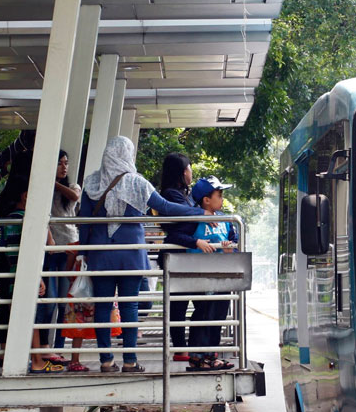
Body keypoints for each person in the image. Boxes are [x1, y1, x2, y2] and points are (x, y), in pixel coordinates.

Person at [78, 136, 209, 373]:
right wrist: (198, 212)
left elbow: (84, 222)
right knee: (130, 307)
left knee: (103, 307)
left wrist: (86, 251)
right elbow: (166, 208)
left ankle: (106, 360)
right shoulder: (137, 183)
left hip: (101, 254)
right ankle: (130, 361)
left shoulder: (92, 182)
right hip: (131, 254)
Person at [0, 174, 64, 373]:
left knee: (23, 315)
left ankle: (29, 359)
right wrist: (37, 277)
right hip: (24, 274)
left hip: (12, 276)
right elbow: (39, 249)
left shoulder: (10, 219)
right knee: (32, 316)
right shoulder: (26, 220)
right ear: (26, 196)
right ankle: (36, 361)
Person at [185, 176, 237, 371]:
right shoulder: (193, 219)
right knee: (202, 314)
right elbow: (178, 236)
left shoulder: (226, 221)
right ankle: (197, 356)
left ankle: (211, 355)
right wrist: (196, 243)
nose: (222, 198)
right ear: (206, 200)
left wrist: (230, 249)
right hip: (199, 276)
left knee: (218, 315)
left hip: (221, 276)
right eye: (219, 194)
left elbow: (234, 241)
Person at [45, 151, 87, 370]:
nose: (64, 167)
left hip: (70, 245)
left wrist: (52, 182)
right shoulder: (44, 189)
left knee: (64, 299)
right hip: (52, 248)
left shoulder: (73, 187)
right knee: (50, 300)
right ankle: (48, 347)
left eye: (66, 163)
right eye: (59, 163)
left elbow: (74, 197)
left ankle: (59, 347)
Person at [157, 152, 197, 361]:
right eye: (189, 168)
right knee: (179, 305)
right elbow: (186, 220)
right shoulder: (172, 194)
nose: (191, 172)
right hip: (177, 255)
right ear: (182, 172)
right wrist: (201, 216)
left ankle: (189, 346)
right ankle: (180, 348)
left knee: (191, 301)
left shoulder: (183, 193)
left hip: (185, 255)